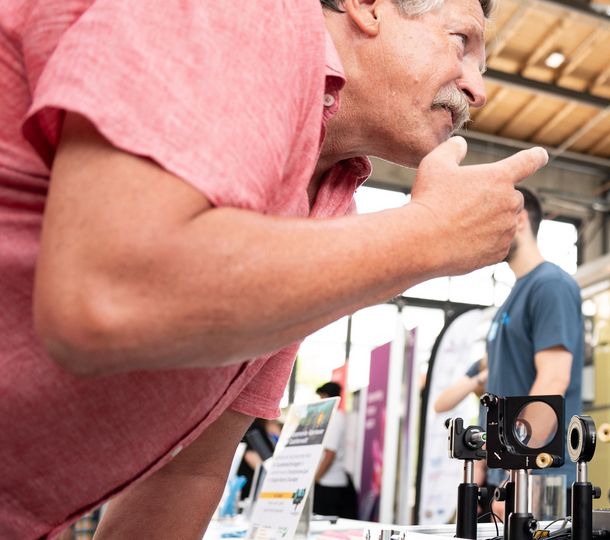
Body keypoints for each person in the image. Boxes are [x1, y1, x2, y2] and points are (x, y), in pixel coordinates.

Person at [0, 0, 549, 537]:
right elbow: (110, 296)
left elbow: (191, 466)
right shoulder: (249, 12)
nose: (476, 89)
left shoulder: (328, 205)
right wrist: (430, 232)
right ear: (368, 6)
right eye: (462, 42)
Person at [484, 187, 585, 515]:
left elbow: (553, 380)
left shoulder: (550, 285)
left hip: (540, 475)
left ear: (521, 218)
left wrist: (517, 474)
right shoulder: (515, 295)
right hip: (515, 470)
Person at [313, 382, 358, 519]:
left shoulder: (335, 418)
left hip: (330, 485)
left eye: (321, 397)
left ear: (326, 396)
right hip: (329, 483)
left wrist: (314, 479)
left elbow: (330, 454)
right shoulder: (335, 417)